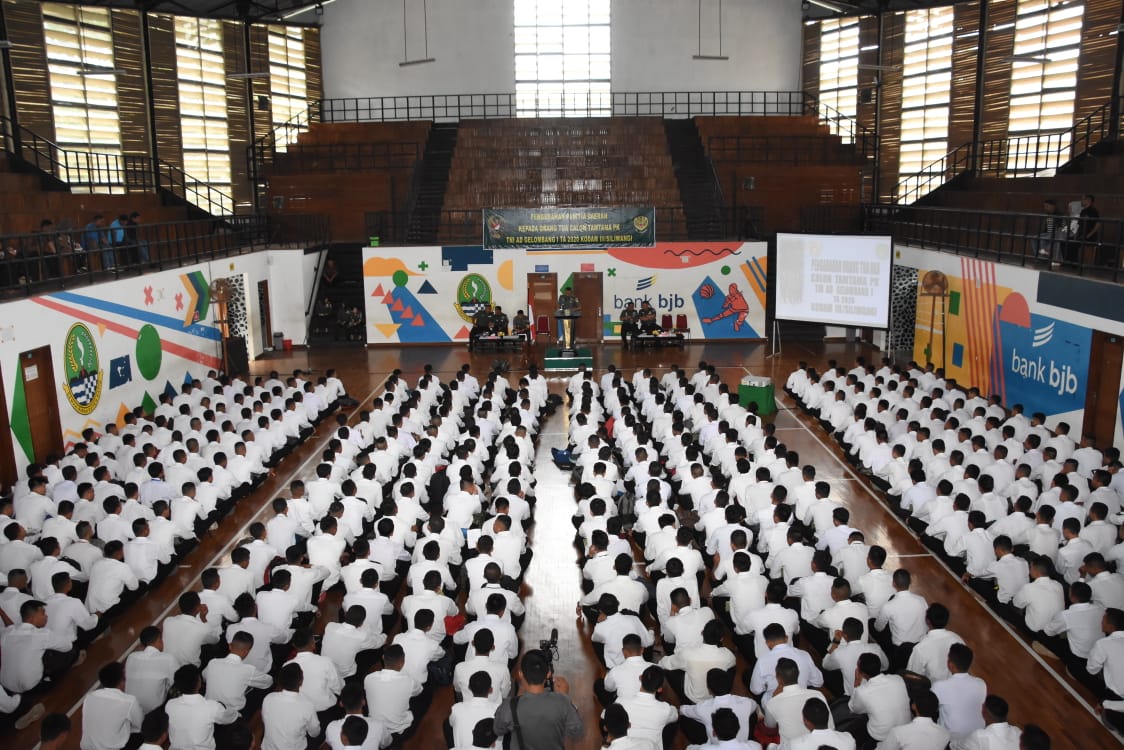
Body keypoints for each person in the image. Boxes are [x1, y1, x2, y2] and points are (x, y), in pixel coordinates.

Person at [493, 649, 583, 750]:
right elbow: (577, 732)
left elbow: (498, 730)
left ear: (521, 674)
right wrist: (566, 697)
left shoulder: (510, 705)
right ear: (548, 674)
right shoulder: (562, 702)